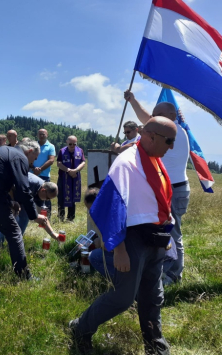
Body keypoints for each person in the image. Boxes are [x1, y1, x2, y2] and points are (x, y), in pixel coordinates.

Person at [69, 116, 177, 355]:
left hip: (156, 238)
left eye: (173, 142)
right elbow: (112, 206)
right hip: (133, 238)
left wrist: (166, 232)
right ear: (150, 136)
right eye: (169, 141)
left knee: (153, 295)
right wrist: (119, 249)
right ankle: (81, 328)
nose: (171, 147)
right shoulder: (126, 162)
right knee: (124, 298)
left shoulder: (156, 160)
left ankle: (154, 344)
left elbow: (159, 199)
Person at [125, 90, 189, 286]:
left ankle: (174, 274)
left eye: (157, 115)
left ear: (171, 116)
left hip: (174, 190)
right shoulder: (171, 129)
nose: (153, 118)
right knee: (164, 231)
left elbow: (147, 120)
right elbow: (147, 118)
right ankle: (163, 267)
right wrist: (133, 100)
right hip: (170, 190)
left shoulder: (174, 132)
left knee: (173, 233)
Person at [0, 139, 49, 279]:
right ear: (29, 151)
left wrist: (10, 202)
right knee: (15, 233)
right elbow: (23, 190)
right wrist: (34, 215)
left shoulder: (3, 150)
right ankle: (23, 275)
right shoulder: (20, 157)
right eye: (34, 158)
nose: (32, 163)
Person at [0, 172, 59, 251]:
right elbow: (10, 186)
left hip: (23, 199)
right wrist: (13, 203)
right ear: (43, 190)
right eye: (47, 198)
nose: (47, 200)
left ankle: (14, 246)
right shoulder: (30, 182)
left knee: (24, 219)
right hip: (7, 192)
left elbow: (42, 218)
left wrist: (53, 234)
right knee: (11, 220)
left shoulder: (41, 193)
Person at [56, 135, 85, 222]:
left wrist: (76, 170)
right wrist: (68, 170)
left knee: (72, 198)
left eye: (74, 144)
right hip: (63, 177)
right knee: (61, 197)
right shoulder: (62, 151)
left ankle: (70, 218)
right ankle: (61, 217)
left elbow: (83, 162)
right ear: (67, 142)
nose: (72, 146)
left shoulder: (80, 151)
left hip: (75, 177)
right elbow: (58, 163)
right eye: (70, 144)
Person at [31, 129, 56, 216]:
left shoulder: (51, 146)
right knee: (32, 196)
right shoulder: (33, 145)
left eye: (43, 134)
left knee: (46, 196)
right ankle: (33, 216)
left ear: (47, 135)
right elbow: (28, 157)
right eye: (40, 134)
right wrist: (34, 168)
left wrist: (40, 169)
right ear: (37, 135)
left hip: (44, 176)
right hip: (32, 174)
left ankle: (47, 217)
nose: (42, 136)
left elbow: (51, 160)